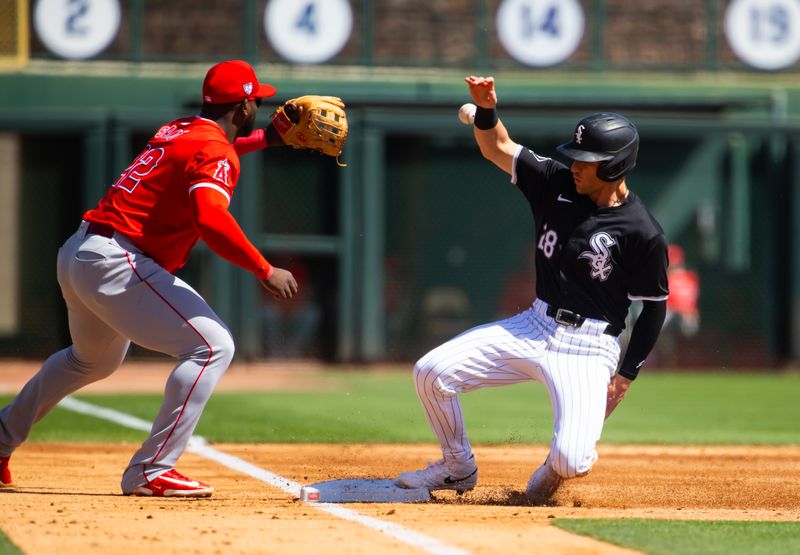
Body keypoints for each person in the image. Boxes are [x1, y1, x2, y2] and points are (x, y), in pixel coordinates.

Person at [0, 60, 301, 497]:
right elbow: (209, 217)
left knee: (91, 361)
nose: (260, 105)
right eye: (258, 100)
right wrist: (264, 268)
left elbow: (206, 154)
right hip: (118, 261)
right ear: (243, 106)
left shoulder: (178, 128)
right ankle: (152, 469)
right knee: (212, 346)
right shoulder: (214, 150)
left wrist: (269, 138)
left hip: (82, 251)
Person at [395, 76, 669, 504]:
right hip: (535, 324)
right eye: (574, 156)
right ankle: (456, 467)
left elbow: (653, 309)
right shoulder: (555, 181)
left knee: (572, 460)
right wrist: (486, 109)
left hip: (590, 347)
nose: (575, 165)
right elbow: (496, 146)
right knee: (431, 373)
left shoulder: (642, 231)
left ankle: (553, 471)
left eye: (587, 159)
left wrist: (625, 377)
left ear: (614, 166)